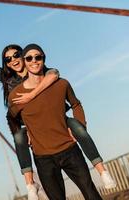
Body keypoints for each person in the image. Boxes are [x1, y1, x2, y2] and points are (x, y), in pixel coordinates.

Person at [0, 17, 116, 197]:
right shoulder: (8, 79)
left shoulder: (40, 70)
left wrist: (32, 93)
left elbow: (55, 74)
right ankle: (30, 185)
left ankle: (102, 171)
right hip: (33, 130)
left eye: (17, 55)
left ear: (24, 57)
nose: (13, 60)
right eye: (8, 59)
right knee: (19, 137)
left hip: (58, 121)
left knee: (78, 128)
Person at [8, 43, 105, 199]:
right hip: (43, 159)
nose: (34, 61)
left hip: (70, 150)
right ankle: (30, 184)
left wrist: (80, 126)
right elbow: (12, 118)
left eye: (38, 57)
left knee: (91, 193)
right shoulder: (15, 95)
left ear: (44, 59)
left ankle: (103, 171)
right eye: (29, 58)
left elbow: (76, 104)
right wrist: (26, 133)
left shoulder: (60, 83)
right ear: (24, 62)